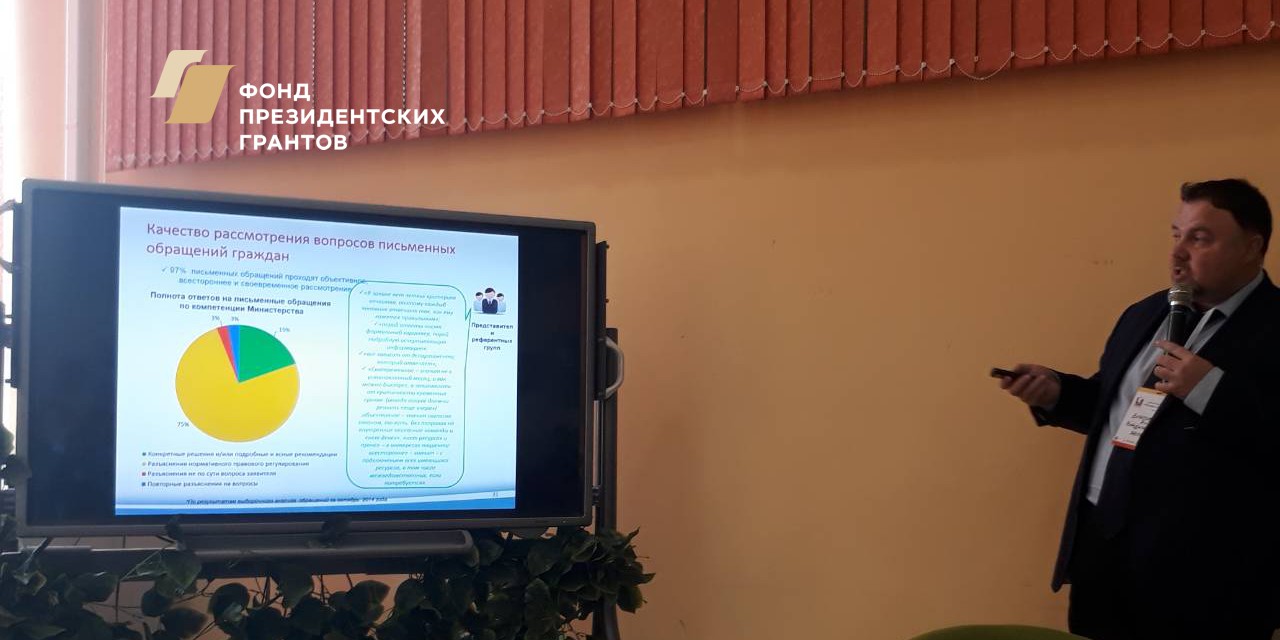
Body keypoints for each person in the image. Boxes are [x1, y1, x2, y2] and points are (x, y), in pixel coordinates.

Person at [998, 179, 1280, 639]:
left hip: (1208, 579)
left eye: (1200, 238)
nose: (1178, 253)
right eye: (1176, 234)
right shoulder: (1144, 314)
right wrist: (1057, 395)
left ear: (1253, 246)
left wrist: (1210, 389)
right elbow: (1122, 411)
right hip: (1103, 551)